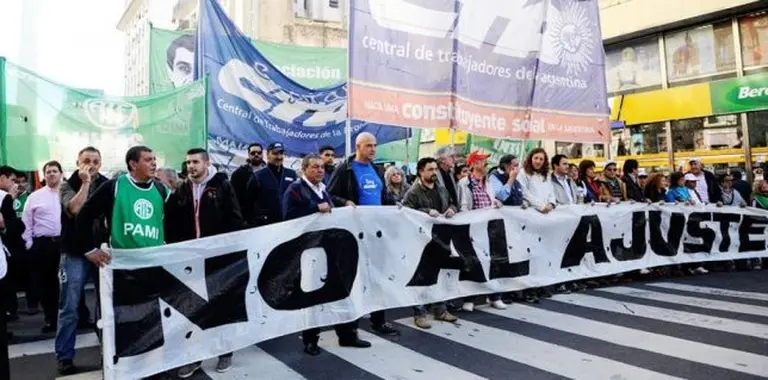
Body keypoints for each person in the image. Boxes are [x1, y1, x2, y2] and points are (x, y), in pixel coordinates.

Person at [165, 148, 245, 377]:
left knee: (222, 305)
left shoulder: (222, 185)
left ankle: (225, 352)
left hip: (219, 259)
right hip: (191, 260)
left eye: (195, 162)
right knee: (193, 308)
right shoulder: (181, 189)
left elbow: (235, 219)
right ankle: (195, 357)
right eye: (188, 162)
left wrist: (229, 253)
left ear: (207, 163)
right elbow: (171, 222)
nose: (191, 166)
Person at [284, 154, 373, 355]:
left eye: (322, 167)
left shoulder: (323, 189)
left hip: (331, 249)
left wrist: (345, 206)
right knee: (313, 298)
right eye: (315, 167)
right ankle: (310, 340)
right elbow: (288, 217)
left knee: (342, 291)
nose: (320, 170)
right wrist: (314, 207)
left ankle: (347, 334)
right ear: (304, 169)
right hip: (310, 252)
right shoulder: (295, 190)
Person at [327, 132, 400, 337]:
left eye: (375, 145)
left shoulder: (376, 169)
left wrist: (394, 204)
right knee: (354, 279)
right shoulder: (345, 169)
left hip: (376, 233)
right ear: (358, 147)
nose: (373, 149)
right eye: (369, 146)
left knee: (378, 277)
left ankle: (379, 321)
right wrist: (345, 202)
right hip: (355, 233)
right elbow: (330, 195)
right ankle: (348, 329)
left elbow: (382, 196)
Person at [55, 147, 109, 375]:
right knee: (69, 307)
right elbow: (75, 209)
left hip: (100, 252)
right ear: (78, 163)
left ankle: (108, 351)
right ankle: (64, 356)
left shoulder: (107, 184)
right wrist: (85, 182)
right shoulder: (68, 185)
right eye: (86, 160)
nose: (91, 165)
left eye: (96, 161)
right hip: (74, 253)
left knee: (105, 306)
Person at [75, 146, 169, 267]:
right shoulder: (113, 186)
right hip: (121, 264)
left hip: (153, 261)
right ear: (133, 164)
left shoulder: (162, 190)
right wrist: (89, 249)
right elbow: (84, 216)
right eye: (148, 160)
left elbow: (173, 224)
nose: (154, 163)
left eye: (154, 159)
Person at [402, 157, 459, 328]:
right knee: (421, 278)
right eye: (430, 169)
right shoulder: (413, 192)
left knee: (440, 276)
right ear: (421, 171)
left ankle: (440, 309)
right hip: (421, 242)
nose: (434, 172)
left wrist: (452, 209)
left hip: (440, 239)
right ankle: (419, 313)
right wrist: (426, 211)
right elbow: (406, 213)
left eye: (435, 169)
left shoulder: (441, 189)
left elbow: (452, 203)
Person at [457, 151, 506, 311]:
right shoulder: (465, 183)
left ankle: (494, 296)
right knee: (473, 262)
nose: (485, 164)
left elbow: (490, 199)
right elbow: (464, 205)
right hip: (474, 227)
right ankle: (470, 298)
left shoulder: (488, 182)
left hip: (490, 227)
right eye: (482, 160)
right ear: (473, 164)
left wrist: (496, 203)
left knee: (493, 261)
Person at [21, 161, 63, 334]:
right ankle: (51, 320)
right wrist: (29, 243)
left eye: (54, 171)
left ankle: (79, 318)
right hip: (43, 245)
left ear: (61, 173)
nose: (51, 174)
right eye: (48, 172)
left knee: (71, 283)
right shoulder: (35, 197)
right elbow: (26, 221)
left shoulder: (68, 193)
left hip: (64, 243)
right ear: (44, 175)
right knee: (47, 285)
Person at [246, 142, 297, 227]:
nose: (279, 157)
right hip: (265, 225)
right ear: (267, 155)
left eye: (281, 153)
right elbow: (248, 203)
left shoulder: (291, 174)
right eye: (275, 153)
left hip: (288, 224)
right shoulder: (258, 176)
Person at [0, 166, 24, 323]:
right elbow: (10, 223)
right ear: (2, 178)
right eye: (12, 180)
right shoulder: (4, 197)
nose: (15, 184)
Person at [230, 143, 265, 222]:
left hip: (266, 216)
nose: (256, 155)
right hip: (246, 217)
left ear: (262, 154)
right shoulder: (239, 173)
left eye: (259, 152)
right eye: (253, 153)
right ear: (248, 154)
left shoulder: (269, 172)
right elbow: (234, 198)